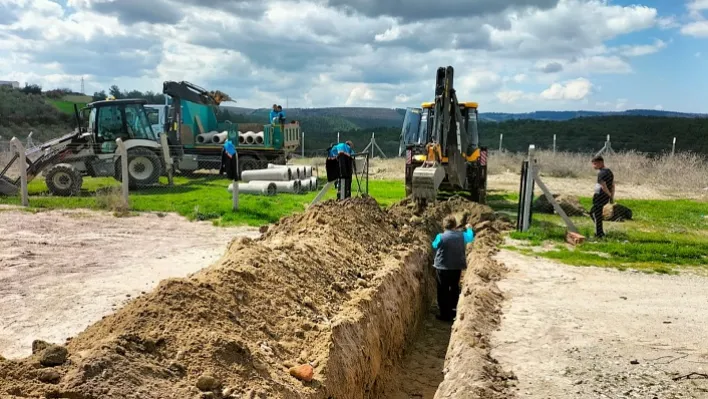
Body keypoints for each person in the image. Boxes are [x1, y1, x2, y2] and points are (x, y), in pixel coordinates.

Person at [432, 216, 474, 322]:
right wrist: (469, 228)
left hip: (442, 267)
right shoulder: (461, 235)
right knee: (454, 287)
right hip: (456, 267)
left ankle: (444, 314)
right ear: (455, 225)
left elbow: (434, 245)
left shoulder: (440, 236)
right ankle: (453, 310)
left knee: (442, 290)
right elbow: (470, 237)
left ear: (444, 226)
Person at [590, 155, 614, 239]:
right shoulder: (609, 172)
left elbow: (603, 186)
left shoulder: (601, 173)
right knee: (595, 213)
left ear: (601, 163)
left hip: (600, 196)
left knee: (595, 214)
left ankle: (599, 234)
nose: (594, 166)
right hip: (604, 196)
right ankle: (600, 231)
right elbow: (613, 185)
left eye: (595, 164)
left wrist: (609, 194)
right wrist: (611, 197)